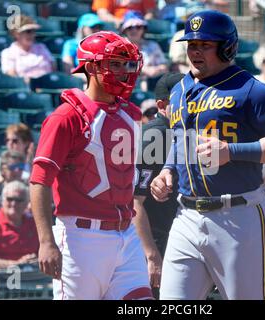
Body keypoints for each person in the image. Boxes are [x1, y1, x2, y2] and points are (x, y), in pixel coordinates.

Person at [150, 10, 265, 300]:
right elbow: (180, 136)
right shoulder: (180, 89)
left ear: (227, 47)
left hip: (239, 215)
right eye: (192, 44)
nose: (195, 51)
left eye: (205, 45)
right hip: (186, 216)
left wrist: (231, 151)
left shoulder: (251, 89)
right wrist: (168, 169)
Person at [29, 31, 153, 300]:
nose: (123, 71)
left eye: (127, 64)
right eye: (115, 64)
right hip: (81, 239)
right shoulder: (66, 117)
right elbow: (40, 181)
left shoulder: (129, 114)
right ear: (92, 67)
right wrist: (46, 241)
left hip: (126, 233)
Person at [134, 72, 184, 298]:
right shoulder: (156, 134)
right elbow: (134, 202)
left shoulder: (181, 133)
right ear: (162, 105)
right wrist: (152, 255)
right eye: (182, 100)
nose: (189, 105)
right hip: (154, 240)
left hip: (173, 238)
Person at [120, 11, 169, 91]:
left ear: (144, 29)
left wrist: (156, 70)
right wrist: (144, 70)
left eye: (138, 27)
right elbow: (120, 66)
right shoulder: (120, 46)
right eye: (130, 28)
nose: (134, 30)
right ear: (124, 30)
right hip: (126, 87)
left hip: (152, 85)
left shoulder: (152, 45)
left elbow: (164, 66)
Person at [1, 15, 55, 83]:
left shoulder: (42, 47)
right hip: (26, 89)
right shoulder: (8, 53)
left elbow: (53, 69)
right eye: (28, 31)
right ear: (16, 34)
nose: (32, 35)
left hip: (48, 86)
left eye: (33, 31)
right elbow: (12, 76)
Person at [0, 150, 26, 215]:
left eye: (20, 166)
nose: (17, 170)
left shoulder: (28, 190)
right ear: (2, 170)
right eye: (13, 167)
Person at [92, 0, 156, 27]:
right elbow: (102, 13)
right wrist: (118, 21)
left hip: (138, 25)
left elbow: (150, 13)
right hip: (116, 25)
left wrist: (140, 23)